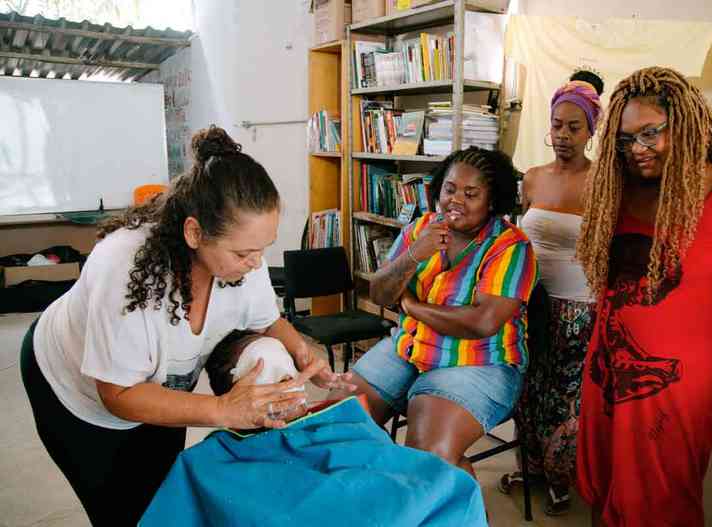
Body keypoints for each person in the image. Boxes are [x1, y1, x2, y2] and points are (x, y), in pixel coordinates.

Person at [19, 125, 354, 526]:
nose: (256, 263)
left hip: (155, 384)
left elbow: (269, 320)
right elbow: (118, 394)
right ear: (195, 232)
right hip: (74, 393)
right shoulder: (125, 270)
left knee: (168, 496)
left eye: (262, 249)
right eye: (244, 252)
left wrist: (304, 355)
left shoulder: (246, 259)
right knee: (124, 513)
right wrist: (221, 409)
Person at [575, 67, 712, 526]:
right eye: (626, 139)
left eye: (650, 133)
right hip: (608, 363)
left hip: (679, 380)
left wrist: (705, 308)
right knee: (603, 475)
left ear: (685, 126)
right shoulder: (619, 187)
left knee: (664, 490)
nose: (637, 149)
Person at [333, 147, 539, 477]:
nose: (456, 200)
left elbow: (481, 322)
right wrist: (414, 254)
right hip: (409, 349)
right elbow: (380, 292)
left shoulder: (510, 246)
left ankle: (458, 512)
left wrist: (413, 306)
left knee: (426, 458)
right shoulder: (421, 229)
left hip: (479, 362)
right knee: (335, 428)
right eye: (450, 188)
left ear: (492, 201)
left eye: (471, 194)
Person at [499, 70, 604, 515]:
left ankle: (561, 479)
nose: (562, 135)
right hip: (527, 298)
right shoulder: (534, 178)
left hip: (576, 304)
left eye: (573, 127)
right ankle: (532, 468)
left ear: (590, 130)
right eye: (556, 125)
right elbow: (520, 231)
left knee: (564, 394)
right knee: (526, 386)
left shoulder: (602, 181)